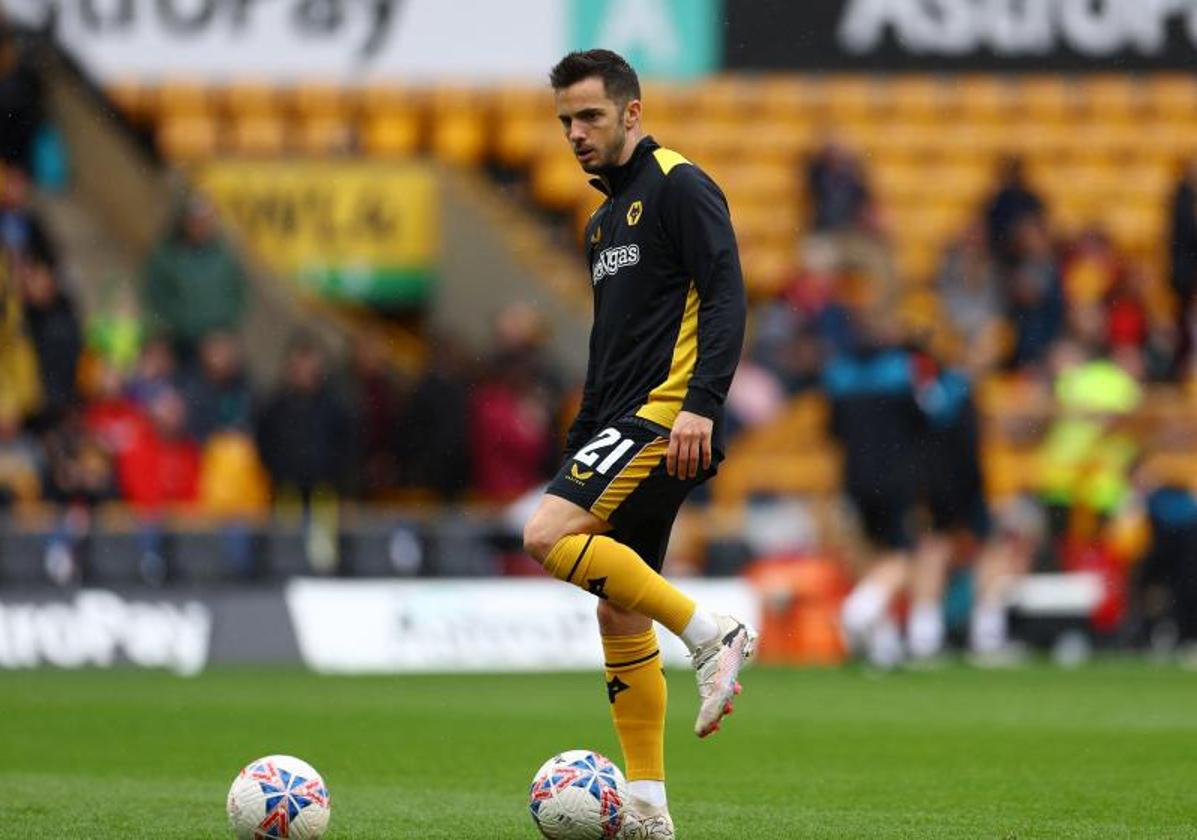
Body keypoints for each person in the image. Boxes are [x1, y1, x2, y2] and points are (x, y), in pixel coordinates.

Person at [521, 50, 754, 837]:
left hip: (665, 417)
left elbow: (725, 291)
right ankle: (648, 808)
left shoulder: (680, 184)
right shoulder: (598, 221)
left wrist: (702, 406)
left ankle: (708, 632)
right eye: (564, 121)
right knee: (618, 611)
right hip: (619, 418)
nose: (575, 134)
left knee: (544, 535)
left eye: (588, 116)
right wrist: (582, 431)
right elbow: (610, 344)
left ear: (631, 112)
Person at [142, 196, 247, 365]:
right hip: (177, 342)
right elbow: (153, 294)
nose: (199, 227)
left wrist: (224, 328)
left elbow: (240, 293)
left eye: (204, 221)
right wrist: (172, 324)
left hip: (216, 343)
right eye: (195, 221)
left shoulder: (225, 257)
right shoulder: (167, 255)